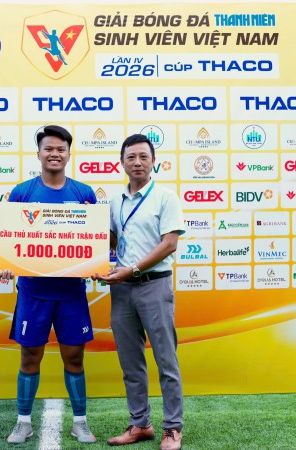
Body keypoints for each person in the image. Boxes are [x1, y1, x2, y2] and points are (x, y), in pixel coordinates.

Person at [0, 125, 97, 444]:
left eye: (60, 149)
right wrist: (6, 265)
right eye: (49, 149)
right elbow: (10, 240)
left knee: (74, 357)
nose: (55, 154)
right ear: (38, 153)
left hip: (71, 294)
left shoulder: (84, 194)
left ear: (69, 153)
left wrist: (96, 262)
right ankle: (23, 422)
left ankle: (80, 422)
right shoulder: (22, 193)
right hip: (33, 293)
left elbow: (96, 241)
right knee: (29, 357)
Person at [93, 134, 185, 450]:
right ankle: (140, 424)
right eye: (131, 157)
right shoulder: (115, 201)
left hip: (154, 286)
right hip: (122, 290)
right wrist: (83, 238)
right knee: (131, 363)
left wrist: (131, 269)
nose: (137, 162)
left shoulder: (165, 198)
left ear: (153, 161)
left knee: (166, 361)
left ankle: (172, 429)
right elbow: (111, 240)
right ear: (121, 162)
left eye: (143, 156)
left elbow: (169, 244)